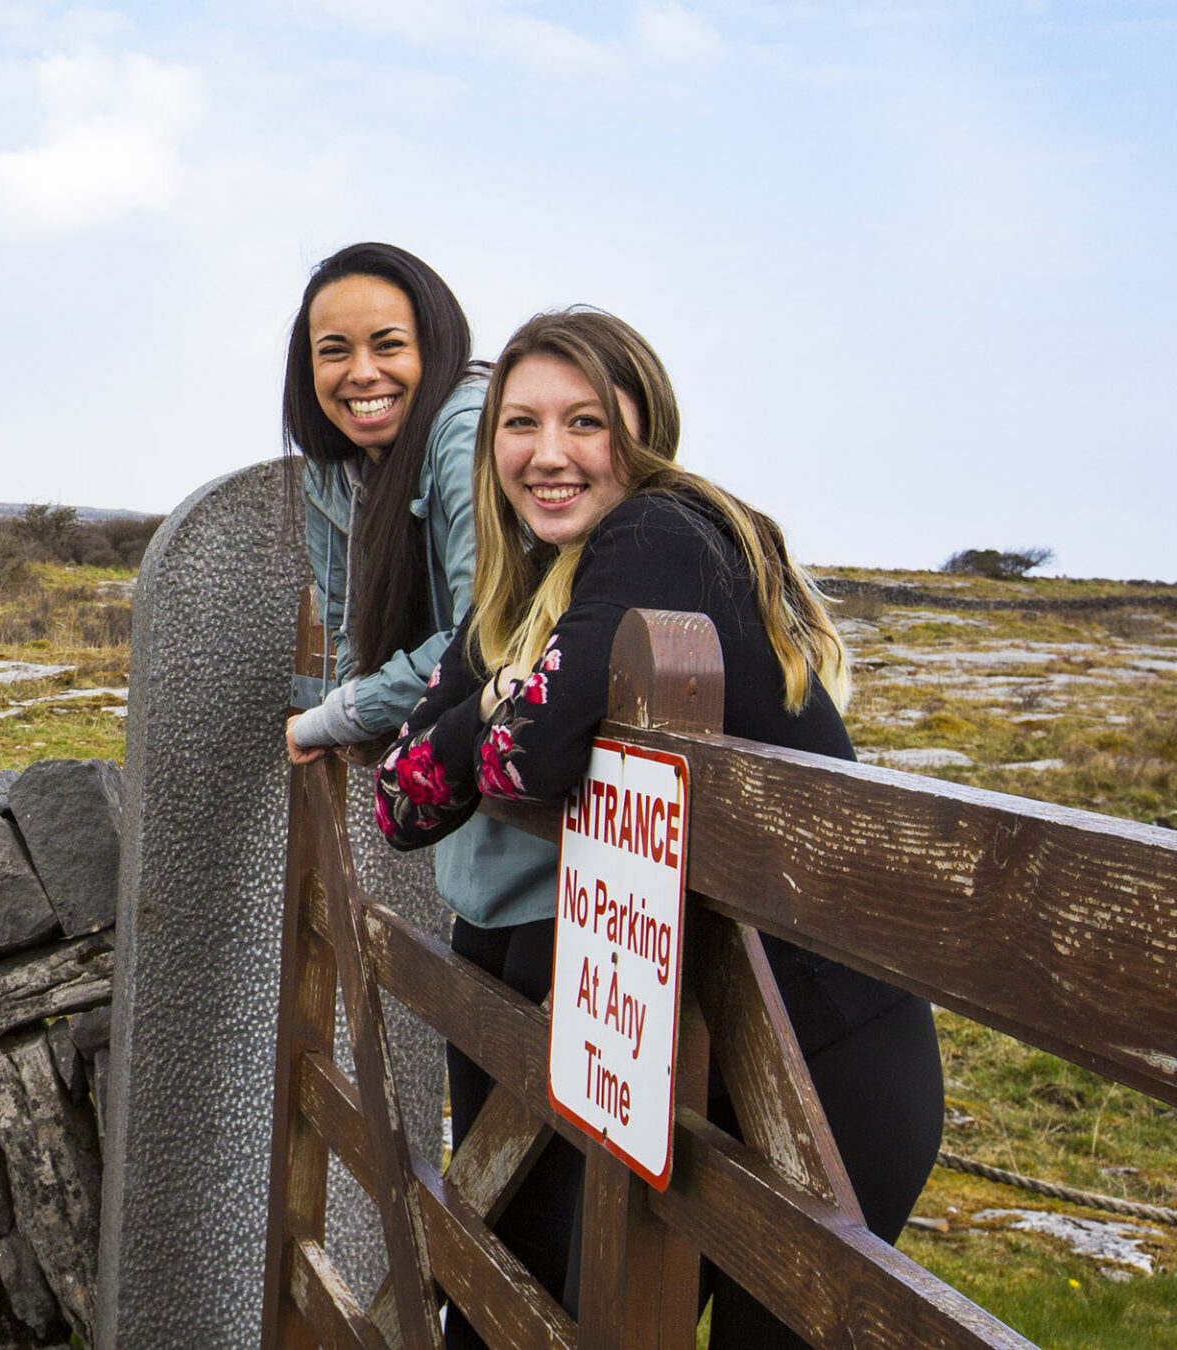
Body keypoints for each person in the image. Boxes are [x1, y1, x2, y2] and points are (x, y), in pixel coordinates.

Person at [373, 308, 943, 1348]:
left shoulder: (661, 532)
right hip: (696, 1053)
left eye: (585, 422)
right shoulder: (528, 588)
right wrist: (511, 683)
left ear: (643, 435)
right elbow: (400, 800)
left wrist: (498, 704)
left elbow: (516, 757)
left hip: (820, 1059)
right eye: (521, 423)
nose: (548, 454)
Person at [281, 242, 566, 1348]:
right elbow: (362, 643)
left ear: (434, 342)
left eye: (388, 343)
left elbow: (478, 637)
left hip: (562, 863)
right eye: (333, 350)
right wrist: (340, 703)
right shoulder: (339, 470)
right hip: (485, 870)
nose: (362, 372)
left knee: (542, 1200)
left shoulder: (463, 428)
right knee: (489, 1185)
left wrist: (325, 722)